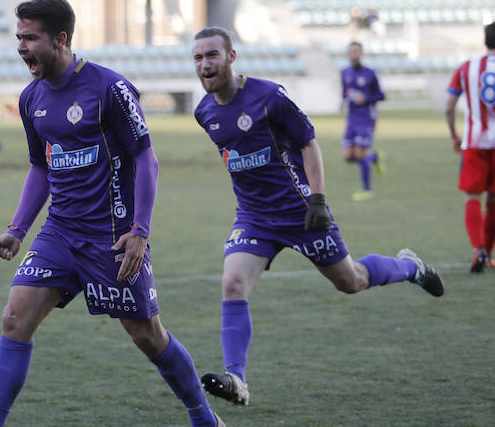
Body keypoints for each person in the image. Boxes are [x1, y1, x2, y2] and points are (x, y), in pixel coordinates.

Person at [0, 0, 224, 427]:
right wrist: (18, 228)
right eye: (18, 37)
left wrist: (140, 230)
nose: (20, 47)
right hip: (59, 234)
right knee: (15, 318)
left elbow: (146, 158)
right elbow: (41, 165)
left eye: (29, 38)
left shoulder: (109, 88)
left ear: (60, 39)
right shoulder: (31, 97)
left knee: (147, 336)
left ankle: (203, 418)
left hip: (113, 237)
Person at [190, 26, 443, 407]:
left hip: (301, 211)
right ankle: (237, 379)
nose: (205, 64)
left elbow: (308, 142)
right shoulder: (204, 112)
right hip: (255, 218)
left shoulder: (270, 97)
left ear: (231, 57)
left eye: (212, 55)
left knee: (351, 281)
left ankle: (410, 267)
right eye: (198, 58)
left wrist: (318, 200)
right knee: (232, 284)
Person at [445, 22, 495, 273]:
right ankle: (488, 251)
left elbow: (449, 106)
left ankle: (478, 249)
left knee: (472, 197)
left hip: (474, 142)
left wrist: (455, 134)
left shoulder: (467, 68)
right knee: (494, 200)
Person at [340, 41, 386, 201]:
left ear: (361, 53)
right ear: (348, 54)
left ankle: (366, 189)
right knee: (347, 155)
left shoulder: (370, 73)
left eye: (356, 51)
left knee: (359, 153)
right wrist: (343, 100)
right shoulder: (344, 72)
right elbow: (345, 92)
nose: (354, 54)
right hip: (352, 118)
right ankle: (374, 157)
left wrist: (365, 98)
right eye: (351, 51)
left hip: (366, 118)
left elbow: (381, 95)